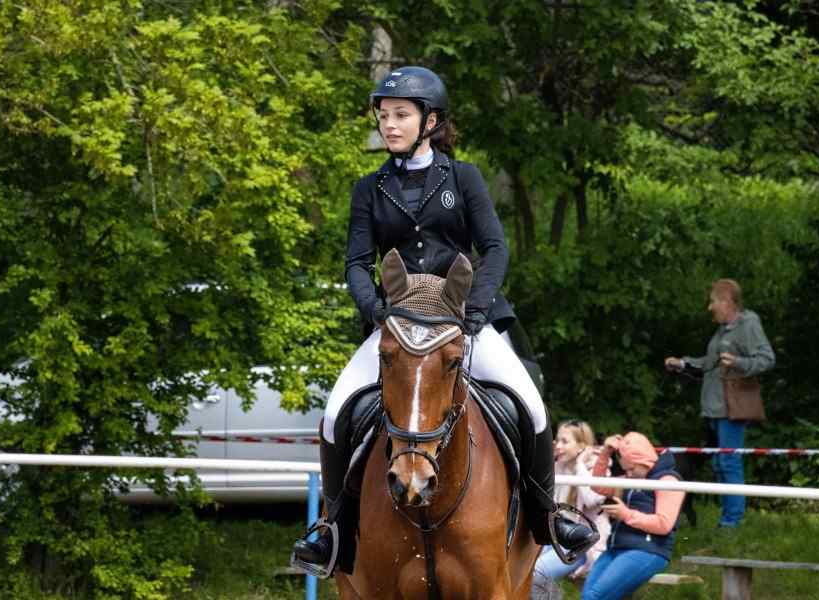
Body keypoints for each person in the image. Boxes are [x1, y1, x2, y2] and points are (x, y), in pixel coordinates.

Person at [292, 66, 597, 574]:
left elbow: (495, 247)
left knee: (529, 401)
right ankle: (335, 533)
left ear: (429, 121)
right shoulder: (368, 188)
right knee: (335, 410)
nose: (389, 125)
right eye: (384, 116)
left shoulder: (463, 177)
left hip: (463, 318)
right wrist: (374, 311)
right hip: (397, 320)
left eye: (400, 115)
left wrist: (476, 308)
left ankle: (547, 518)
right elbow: (355, 263)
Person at [664, 278, 775, 528]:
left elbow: (767, 359)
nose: (710, 307)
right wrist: (682, 363)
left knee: (729, 461)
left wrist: (739, 363)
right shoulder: (722, 330)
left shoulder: (748, 324)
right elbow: (710, 362)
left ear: (726, 301)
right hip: (714, 409)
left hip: (732, 408)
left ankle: (731, 522)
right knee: (719, 462)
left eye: (713, 301)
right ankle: (728, 518)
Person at [581, 432, 686, 600]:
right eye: (626, 469)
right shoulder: (630, 478)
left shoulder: (668, 480)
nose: (629, 474)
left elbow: (664, 524)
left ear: (644, 461)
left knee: (595, 597)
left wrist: (625, 514)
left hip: (649, 550)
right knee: (587, 596)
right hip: (617, 548)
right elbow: (597, 486)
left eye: (632, 468)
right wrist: (605, 453)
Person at [532, 421, 611, 593]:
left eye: (565, 441)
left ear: (582, 446)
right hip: (556, 535)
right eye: (557, 440)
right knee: (519, 569)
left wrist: (580, 465)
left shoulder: (597, 466)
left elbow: (592, 499)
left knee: (535, 574)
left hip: (581, 543)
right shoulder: (557, 465)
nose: (558, 446)